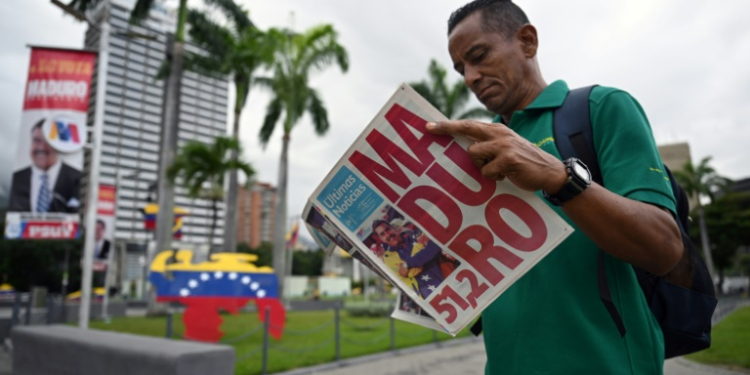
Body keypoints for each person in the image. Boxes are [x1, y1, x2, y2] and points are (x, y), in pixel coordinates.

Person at [425, 1, 683, 373]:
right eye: (461, 68)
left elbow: (664, 249)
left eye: (478, 56)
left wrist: (561, 179)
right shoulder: (473, 154)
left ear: (527, 41)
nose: (469, 77)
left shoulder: (601, 109)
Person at [8, 118, 82, 213]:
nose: (41, 147)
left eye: (47, 142)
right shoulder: (16, 179)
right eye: (36, 140)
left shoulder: (77, 178)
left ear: (58, 145)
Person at [372, 220, 445, 298]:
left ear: (393, 228)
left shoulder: (413, 234)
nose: (388, 235)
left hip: (447, 275)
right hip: (429, 292)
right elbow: (412, 272)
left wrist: (407, 264)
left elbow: (436, 246)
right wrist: (420, 244)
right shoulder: (388, 258)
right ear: (381, 239)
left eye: (387, 229)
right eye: (382, 234)